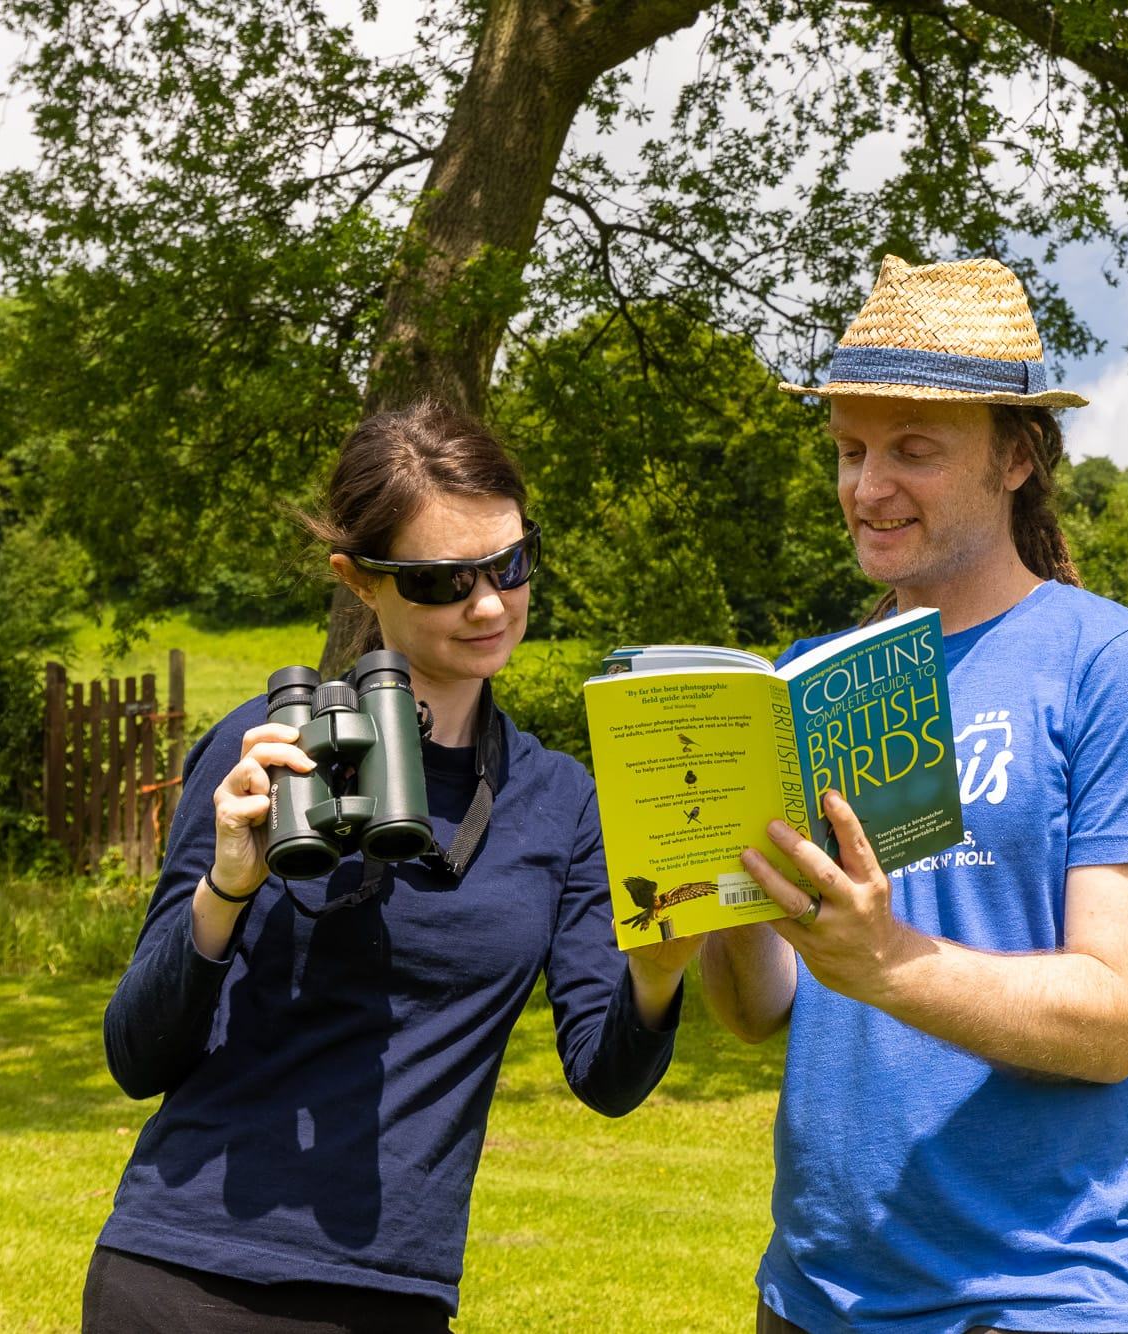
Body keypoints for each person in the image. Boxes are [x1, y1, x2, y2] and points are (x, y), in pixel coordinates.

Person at [82, 401, 698, 1333]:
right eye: (443, 582)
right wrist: (227, 890)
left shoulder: (563, 799)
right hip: (182, 1274)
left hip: (393, 1295)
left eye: (511, 564)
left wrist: (658, 972)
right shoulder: (268, 749)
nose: (489, 604)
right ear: (359, 582)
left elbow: (605, 1079)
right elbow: (137, 1056)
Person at [701, 256, 1128, 1334]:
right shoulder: (810, 675)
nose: (865, 485)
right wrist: (716, 880)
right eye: (848, 449)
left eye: (912, 450)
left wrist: (884, 961)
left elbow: (1113, 1017)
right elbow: (757, 1011)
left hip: (1035, 1300)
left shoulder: (1112, 663)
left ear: (1017, 456)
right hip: (809, 1298)